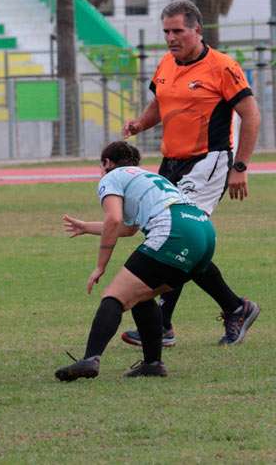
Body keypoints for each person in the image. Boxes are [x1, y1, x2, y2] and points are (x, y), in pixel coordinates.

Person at [122, 0, 260, 347]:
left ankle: (164, 324)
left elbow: (252, 115)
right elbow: (159, 103)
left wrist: (239, 167)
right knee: (167, 237)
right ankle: (233, 307)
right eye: (166, 31)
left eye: (178, 31)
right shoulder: (167, 62)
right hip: (171, 162)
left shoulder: (223, 67)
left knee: (177, 237)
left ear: (197, 30)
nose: (171, 37)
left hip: (208, 162)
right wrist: (140, 123)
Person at [55, 141, 216, 381]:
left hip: (175, 230)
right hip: (203, 231)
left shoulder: (111, 177)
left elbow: (113, 219)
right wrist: (87, 227)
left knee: (114, 296)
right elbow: (129, 228)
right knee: (142, 294)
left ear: (107, 163)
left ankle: (90, 359)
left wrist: (100, 265)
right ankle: (153, 364)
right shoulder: (146, 177)